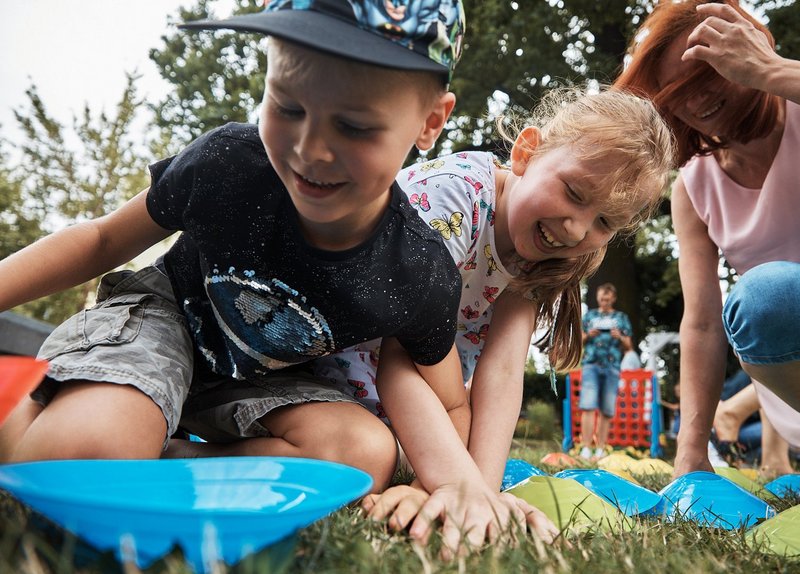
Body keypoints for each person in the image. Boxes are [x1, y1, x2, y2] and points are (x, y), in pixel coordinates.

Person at [0, 0, 538, 550]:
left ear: (430, 122)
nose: (310, 150)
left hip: (263, 381)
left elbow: (450, 399)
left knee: (362, 457)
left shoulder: (415, 270)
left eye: (353, 125)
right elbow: (101, 239)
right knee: (81, 459)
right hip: (166, 323)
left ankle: (146, 452)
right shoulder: (229, 162)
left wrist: (444, 483)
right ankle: (56, 419)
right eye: (286, 106)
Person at [323, 87, 674, 532]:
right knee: (366, 463)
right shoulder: (453, 198)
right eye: (575, 193)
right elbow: (402, 356)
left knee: (416, 464)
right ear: (527, 152)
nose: (576, 227)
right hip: (334, 370)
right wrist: (456, 481)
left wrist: (481, 492)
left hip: (412, 401)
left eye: (605, 222)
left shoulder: (544, 253)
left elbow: (504, 370)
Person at [614, 0, 800, 500]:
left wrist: (771, 72)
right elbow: (702, 323)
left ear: (747, 50)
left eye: (711, 70)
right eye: (676, 92)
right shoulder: (693, 187)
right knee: (764, 293)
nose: (696, 99)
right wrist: (690, 455)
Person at [577, 283, 633, 460]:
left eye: (607, 299)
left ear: (613, 299)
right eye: (602, 299)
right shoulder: (590, 316)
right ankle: (586, 449)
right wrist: (589, 335)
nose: (604, 301)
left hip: (612, 366)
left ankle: (600, 450)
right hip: (591, 364)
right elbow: (579, 341)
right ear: (598, 298)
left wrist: (620, 337)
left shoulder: (621, 318)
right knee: (588, 405)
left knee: (606, 409)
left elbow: (629, 346)